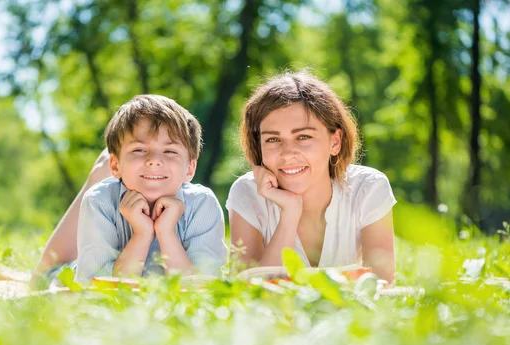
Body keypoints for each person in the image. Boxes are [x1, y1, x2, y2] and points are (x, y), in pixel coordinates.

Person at [34, 94, 228, 287]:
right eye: (139, 150)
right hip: (71, 275)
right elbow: (97, 291)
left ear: (190, 169)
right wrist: (141, 235)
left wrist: (166, 232)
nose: (154, 159)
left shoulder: (202, 204)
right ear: (115, 165)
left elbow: (201, 288)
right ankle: (101, 172)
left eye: (170, 151)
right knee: (42, 278)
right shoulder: (99, 200)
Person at [226, 71, 396, 283]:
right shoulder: (247, 193)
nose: (288, 154)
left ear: (335, 142)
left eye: (303, 136)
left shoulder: (368, 188)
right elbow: (245, 292)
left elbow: (381, 287)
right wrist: (289, 212)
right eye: (272, 139)